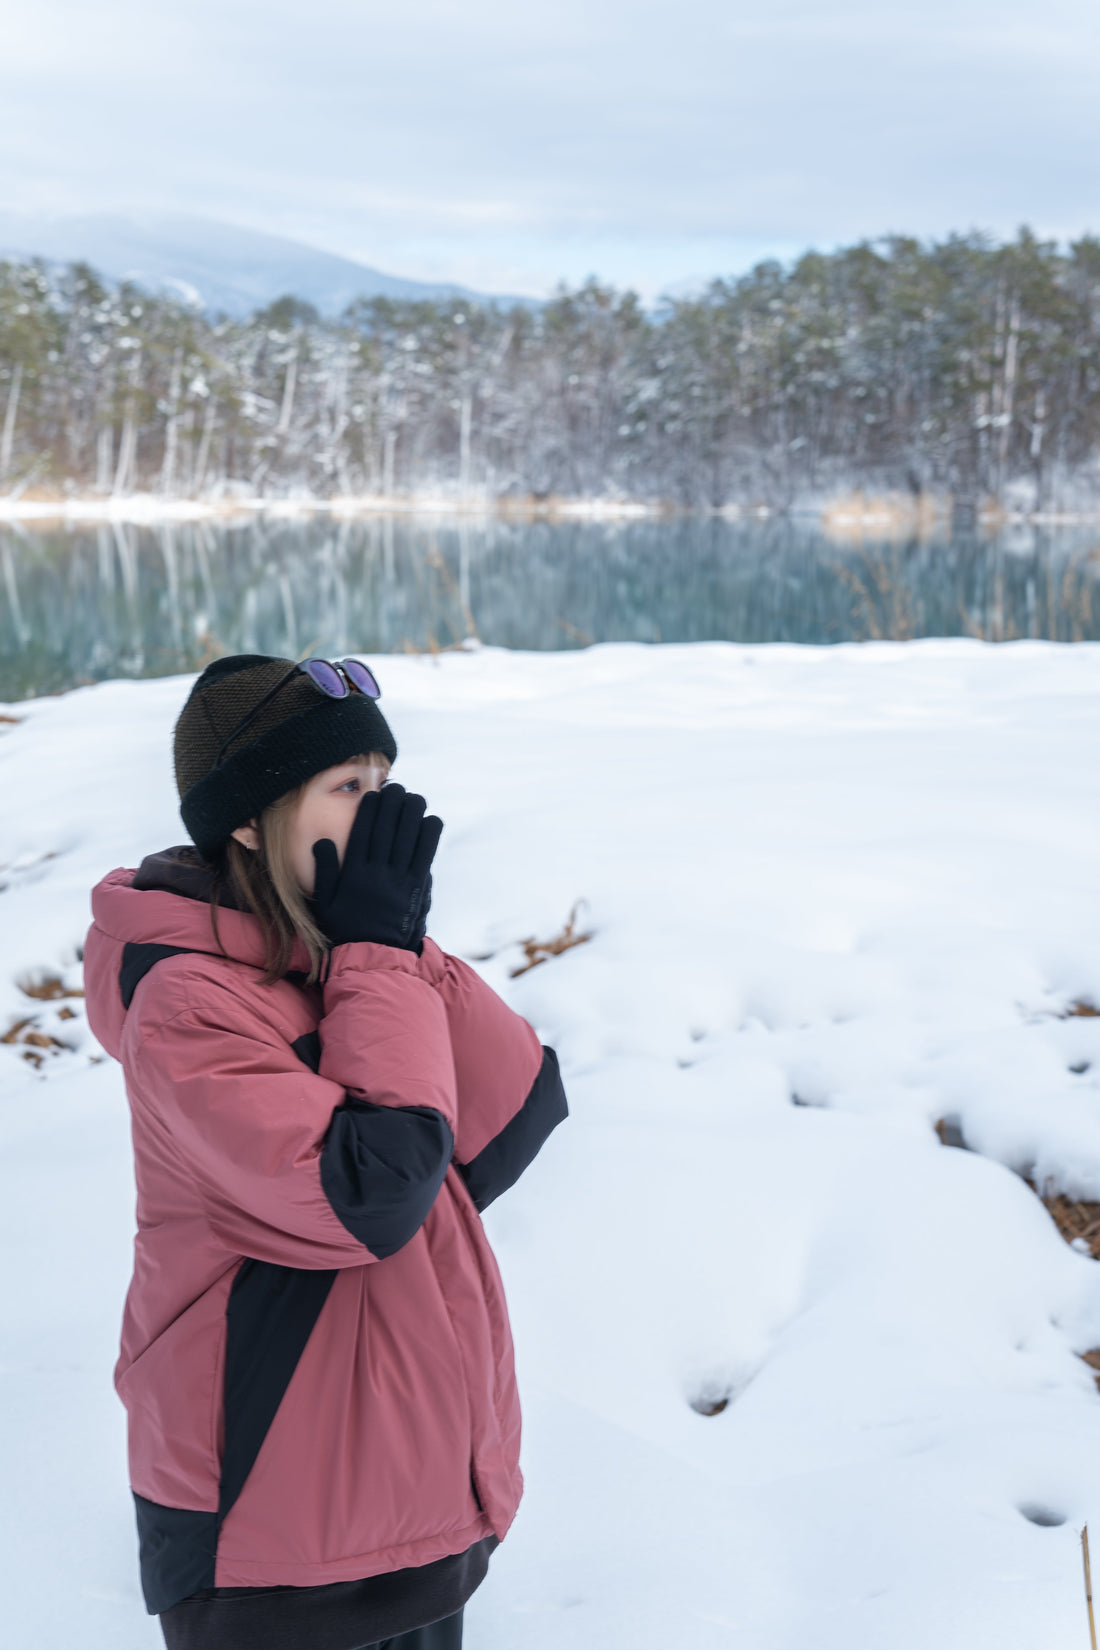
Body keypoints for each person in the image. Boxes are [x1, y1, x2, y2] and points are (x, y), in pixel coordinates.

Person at [83, 653, 569, 1650]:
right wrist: (378, 959)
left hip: (411, 1510)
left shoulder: (338, 960)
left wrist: (393, 946)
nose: (377, 815)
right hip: (272, 1541)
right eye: (347, 789)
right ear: (249, 820)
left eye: (382, 786)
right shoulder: (186, 1000)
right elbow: (373, 1195)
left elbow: (511, 1114)